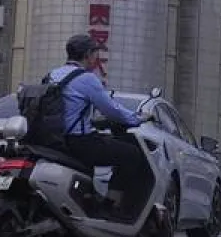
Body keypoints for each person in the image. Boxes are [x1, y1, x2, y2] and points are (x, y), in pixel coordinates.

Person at [49, 34, 150, 219]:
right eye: (95, 53)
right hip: (79, 141)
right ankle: (111, 207)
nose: (96, 58)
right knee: (131, 155)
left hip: (53, 140)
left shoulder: (52, 75)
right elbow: (111, 110)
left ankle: (88, 201)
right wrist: (137, 118)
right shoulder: (86, 79)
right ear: (88, 54)